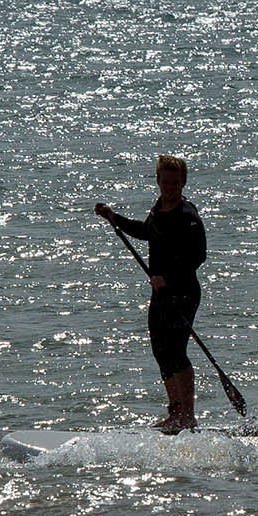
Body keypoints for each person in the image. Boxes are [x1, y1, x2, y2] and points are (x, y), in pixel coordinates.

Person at [94, 154, 207, 433]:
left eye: (175, 183)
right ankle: (175, 412)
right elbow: (146, 231)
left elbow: (198, 256)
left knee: (177, 351)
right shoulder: (158, 210)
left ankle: (188, 417)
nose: (170, 187)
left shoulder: (187, 216)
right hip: (161, 294)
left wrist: (167, 278)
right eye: (165, 181)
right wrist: (113, 218)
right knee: (161, 351)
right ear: (158, 181)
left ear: (183, 183)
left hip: (183, 293)